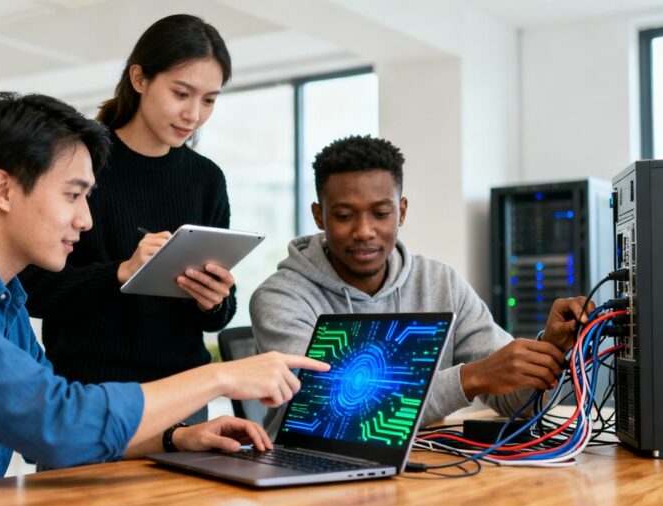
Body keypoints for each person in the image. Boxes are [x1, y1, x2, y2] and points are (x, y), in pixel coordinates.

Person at [0, 92, 328, 503]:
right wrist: (220, 376)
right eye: (72, 194)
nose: (86, 219)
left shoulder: (0, 295)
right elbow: (58, 426)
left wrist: (177, 439)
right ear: (3, 189)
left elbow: (54, 420)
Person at [250, 135, 591, 429]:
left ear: (402, 211)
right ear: (318, 215)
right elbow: (338, 415)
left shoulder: (440, 283)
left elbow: (516, 403)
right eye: (343, 216)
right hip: (305, 475)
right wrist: (472, 377)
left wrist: (551, 350)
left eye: (381, 214)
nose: (364, 231)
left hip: (419, 470)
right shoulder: (282, 297)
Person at [19, 15, 236, 425]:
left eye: (208, 100)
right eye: (181, 93)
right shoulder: (78, 166)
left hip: (184, 397)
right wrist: (121, 272)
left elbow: (217, 319)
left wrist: (216, 299)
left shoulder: (207, 179)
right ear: (139, 78)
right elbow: (33, 290)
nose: (193, 114)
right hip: (89, 399)